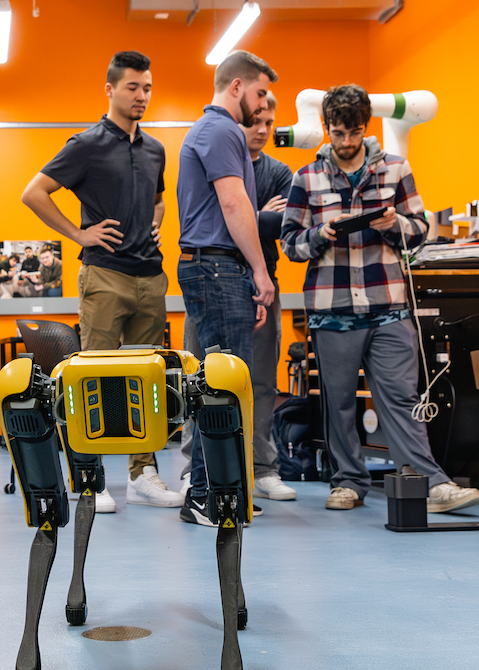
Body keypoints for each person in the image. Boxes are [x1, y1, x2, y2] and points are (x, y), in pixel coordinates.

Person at [279, 84, 479, 512]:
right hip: (332, 312)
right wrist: (320, 234)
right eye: (338, 133)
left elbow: (421, 230)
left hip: (388, 306)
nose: (348, 142)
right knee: (337, 404)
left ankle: (432, 483)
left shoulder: (395, 169)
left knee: (402, 400)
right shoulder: (306, 178)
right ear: (325, 128)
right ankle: (348, 482)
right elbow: (290, 244)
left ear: (365, 126)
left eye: (354, 132)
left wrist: (394, 224)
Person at [21, 50, 178, 512]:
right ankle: (90, 475)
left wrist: (156, 220)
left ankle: (143, 474)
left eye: (147, 88)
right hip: (104, 274)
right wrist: (77, 232)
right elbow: (34, 192)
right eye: (133, 87)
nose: (142, 96)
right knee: (95, 375)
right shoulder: (87, 144)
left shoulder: (155, 149)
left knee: (150, 377)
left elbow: (158, 198)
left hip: (150, 275)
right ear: (110, 89)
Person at [175, 50, 278, 525]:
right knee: (222, 387)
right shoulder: (220, 130)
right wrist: (260, 272)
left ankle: (220, 492)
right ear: (236, 87)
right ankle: (204, 495)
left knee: (223, 383)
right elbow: (235, 205)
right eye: (259, 94)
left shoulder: (214, 132)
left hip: (219, 269)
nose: (262, 106)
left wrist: (245, 273)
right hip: (216, 268)